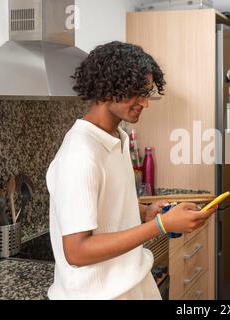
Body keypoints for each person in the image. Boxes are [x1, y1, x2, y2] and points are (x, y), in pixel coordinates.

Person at [46, 41, 217, 300]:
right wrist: (161, 225)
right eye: (137, 92)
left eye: (147, 93)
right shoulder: (80, 155)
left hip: (130, 284)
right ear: (107, 86)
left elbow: (106, 207)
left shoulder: (117, 138)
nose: (145, 103)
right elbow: (77, 251)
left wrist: (146, 213)